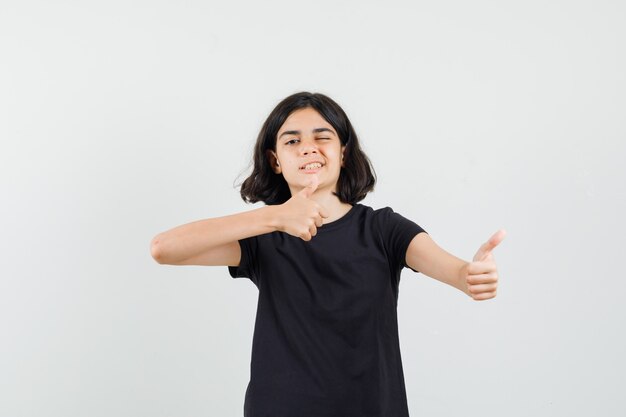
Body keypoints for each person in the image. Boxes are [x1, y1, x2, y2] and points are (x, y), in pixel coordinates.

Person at [150, 91, 506, 417]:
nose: (308, 148)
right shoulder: (263, 237)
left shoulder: (383, 229)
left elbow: (453, 269)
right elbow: (164, 249)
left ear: (343, 153)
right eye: (292, 140)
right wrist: (274, 216)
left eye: (322, 137)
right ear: (275, 160)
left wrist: (470, 276)